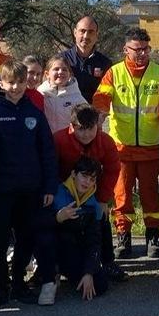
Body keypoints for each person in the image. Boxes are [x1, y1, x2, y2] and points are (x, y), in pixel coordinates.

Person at [0, 61, 58, 310]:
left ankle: (19, 283)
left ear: (27, 83)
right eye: (10, 82)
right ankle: (1, 286)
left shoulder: (34, 113)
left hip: (31, 190)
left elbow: (47, 153)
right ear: (1, 84)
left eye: (20, 82)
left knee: (26, 238)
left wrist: (49, 188)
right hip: (0, 191)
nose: (15, 87)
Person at [93, 28, 159, 258]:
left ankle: (152, 236)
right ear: (125, 49)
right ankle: (123, 239)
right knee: (122, 195)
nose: (141, 53)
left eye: (145, 49)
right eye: (136, 49)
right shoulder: (114, 73)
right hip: (121, 148)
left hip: (150, 146)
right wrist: (98, 118)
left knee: (150, 195)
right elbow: (101, 100)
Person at [54, 104, 125, 281]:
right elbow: (50, 168)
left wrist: (103, 199)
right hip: (63, 190)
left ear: (97, 126)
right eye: (80, 129)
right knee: (56, 225)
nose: (85, 134)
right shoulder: (58, 140)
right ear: (71, 126)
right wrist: (54, 195)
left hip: (91, 192)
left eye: (90, 129)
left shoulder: (106, 142)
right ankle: (49, 268)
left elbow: (112, 170)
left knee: (102, 220)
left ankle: (108, 261)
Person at [33, 157, 110, 305]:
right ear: (73, 174)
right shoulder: (55, 193)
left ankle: (75, 275)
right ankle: (49, 278)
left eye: (92, 179)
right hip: (53, 248)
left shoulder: (93, 206)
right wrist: (57, 218)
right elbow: (37, 224)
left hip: (72, 252)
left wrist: (88, 272)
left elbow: (94, 241)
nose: (87, 182)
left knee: (100, 284)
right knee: (45, 237)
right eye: (84, 176)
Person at [62, 15, 114, 99]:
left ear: (97, 35)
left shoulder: (105, 63)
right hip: (66, 110)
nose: (86, 36)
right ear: (75, 33)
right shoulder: (62, 60)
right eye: (82, 31)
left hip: (94, 111)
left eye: (91, 32)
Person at [38, 54, 87, 134]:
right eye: (56, 69)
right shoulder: (40, 94)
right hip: (45, 140)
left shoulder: (76, 97)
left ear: (69, 74)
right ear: (47, 74)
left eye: (64, 69)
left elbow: (87, 118)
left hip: (68, 140)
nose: (60, 72)